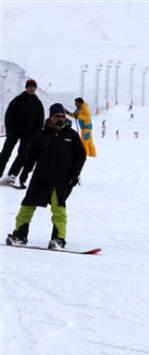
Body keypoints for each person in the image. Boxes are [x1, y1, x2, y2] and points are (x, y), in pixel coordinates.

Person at [6, 103, 86, 249]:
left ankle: (58, 239)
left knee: (59, 211)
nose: (60, 119)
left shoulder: (71, 135)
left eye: (62, 116)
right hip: (40, 178)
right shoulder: (41, 134)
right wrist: (24, 174)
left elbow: (81, 156)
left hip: (60, 180)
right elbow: (31, 156)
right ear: (51, 117)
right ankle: (20, 236)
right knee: (27, 206)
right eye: (57, 116)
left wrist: (75, 174)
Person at [0, 79, 45, 187]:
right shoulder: (18, 100)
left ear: (35, 88)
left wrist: (35, 135)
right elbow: (8, 116)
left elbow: (40, 121)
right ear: (26, 87)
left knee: (23, 155)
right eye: (29, 86)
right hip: (13, 133)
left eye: (33, 87)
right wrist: (9, 130)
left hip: (28, 135)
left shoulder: (37, 103)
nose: (31, 88)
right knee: (5, 153)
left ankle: (13, 174)